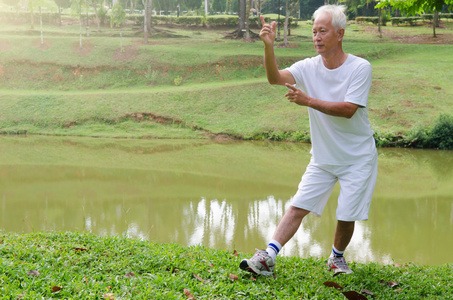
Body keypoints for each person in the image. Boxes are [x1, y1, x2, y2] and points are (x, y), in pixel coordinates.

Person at [239, 4, 378, 276]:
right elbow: (274, 78)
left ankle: (336, 258)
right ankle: (268, 257)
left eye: (322, 31)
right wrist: (269, 46)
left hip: (357, 158)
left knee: (346, 214)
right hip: (323, 157)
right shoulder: (308, 67)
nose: (316, 36)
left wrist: (307, 101)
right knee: (297, 206)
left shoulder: (360, 67)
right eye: (313, 31)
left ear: (339, 34)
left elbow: (349, 109)